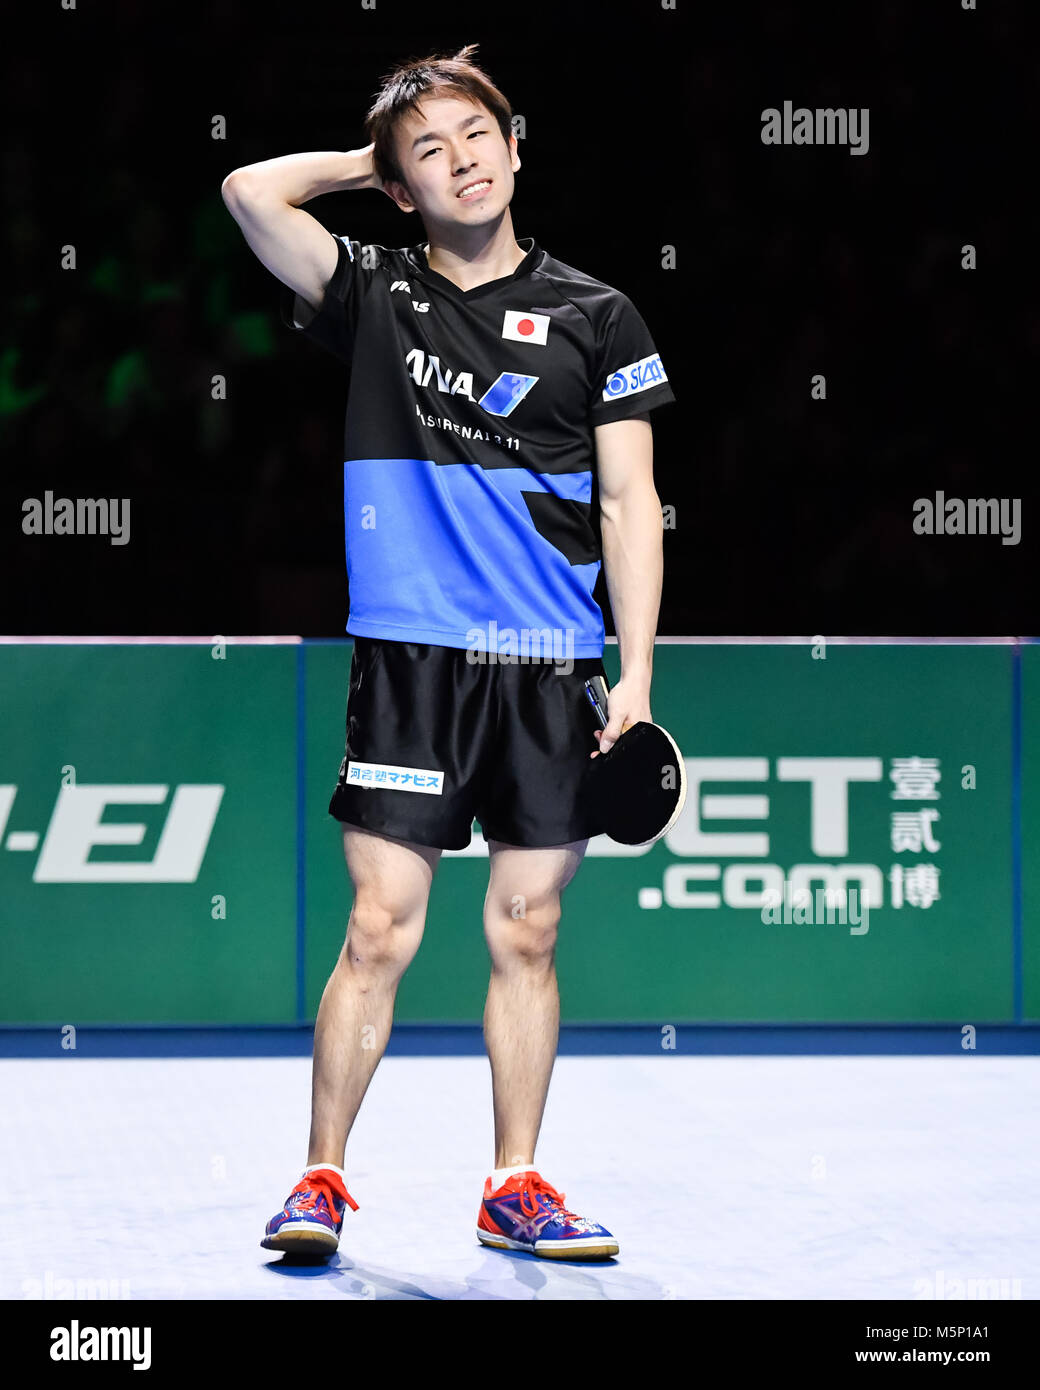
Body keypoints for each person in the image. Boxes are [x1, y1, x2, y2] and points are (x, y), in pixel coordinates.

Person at [221, 42, 675, 1262]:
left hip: (547, 661)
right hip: (413, 659)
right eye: (428, 150)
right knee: (381, 923)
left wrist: (631, 676)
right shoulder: (371, 292)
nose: (460, 161)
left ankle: (513, 1184)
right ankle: (319, 1179)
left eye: (476, 136)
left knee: (526, 926)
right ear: (400, 184)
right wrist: (361, 165)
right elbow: (249, 194)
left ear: (517, 147)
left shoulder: (598, 315)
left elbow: (631, 505)